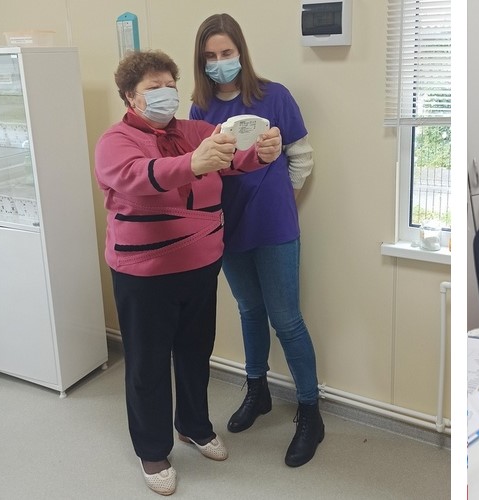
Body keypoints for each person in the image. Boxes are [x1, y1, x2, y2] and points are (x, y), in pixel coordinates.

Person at [94, 50, 282, 496]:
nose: (165, 93)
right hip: (144, 273)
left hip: (200, 264)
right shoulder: (115, 141)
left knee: (196, 353)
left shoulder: (196, 131)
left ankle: (194, 426)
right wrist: (192, 163)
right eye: (153, 87)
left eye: (169, 84)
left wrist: (262, 153)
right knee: (148, 363)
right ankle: (152, 449)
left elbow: (234, 156)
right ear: (130, 97)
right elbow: (138, 176)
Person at [189, 13, 324, 468]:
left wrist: (282, 197)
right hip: (226, 226)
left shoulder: (274, 96)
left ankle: (310, 412)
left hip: (274, 226)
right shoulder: (199, 109)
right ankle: (258, 390)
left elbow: (302, 156)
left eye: (226, 53)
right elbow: (200, 168)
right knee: (249, 310)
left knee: (286, 319)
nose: (219, 62)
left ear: (241, 52)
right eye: (210, 56)